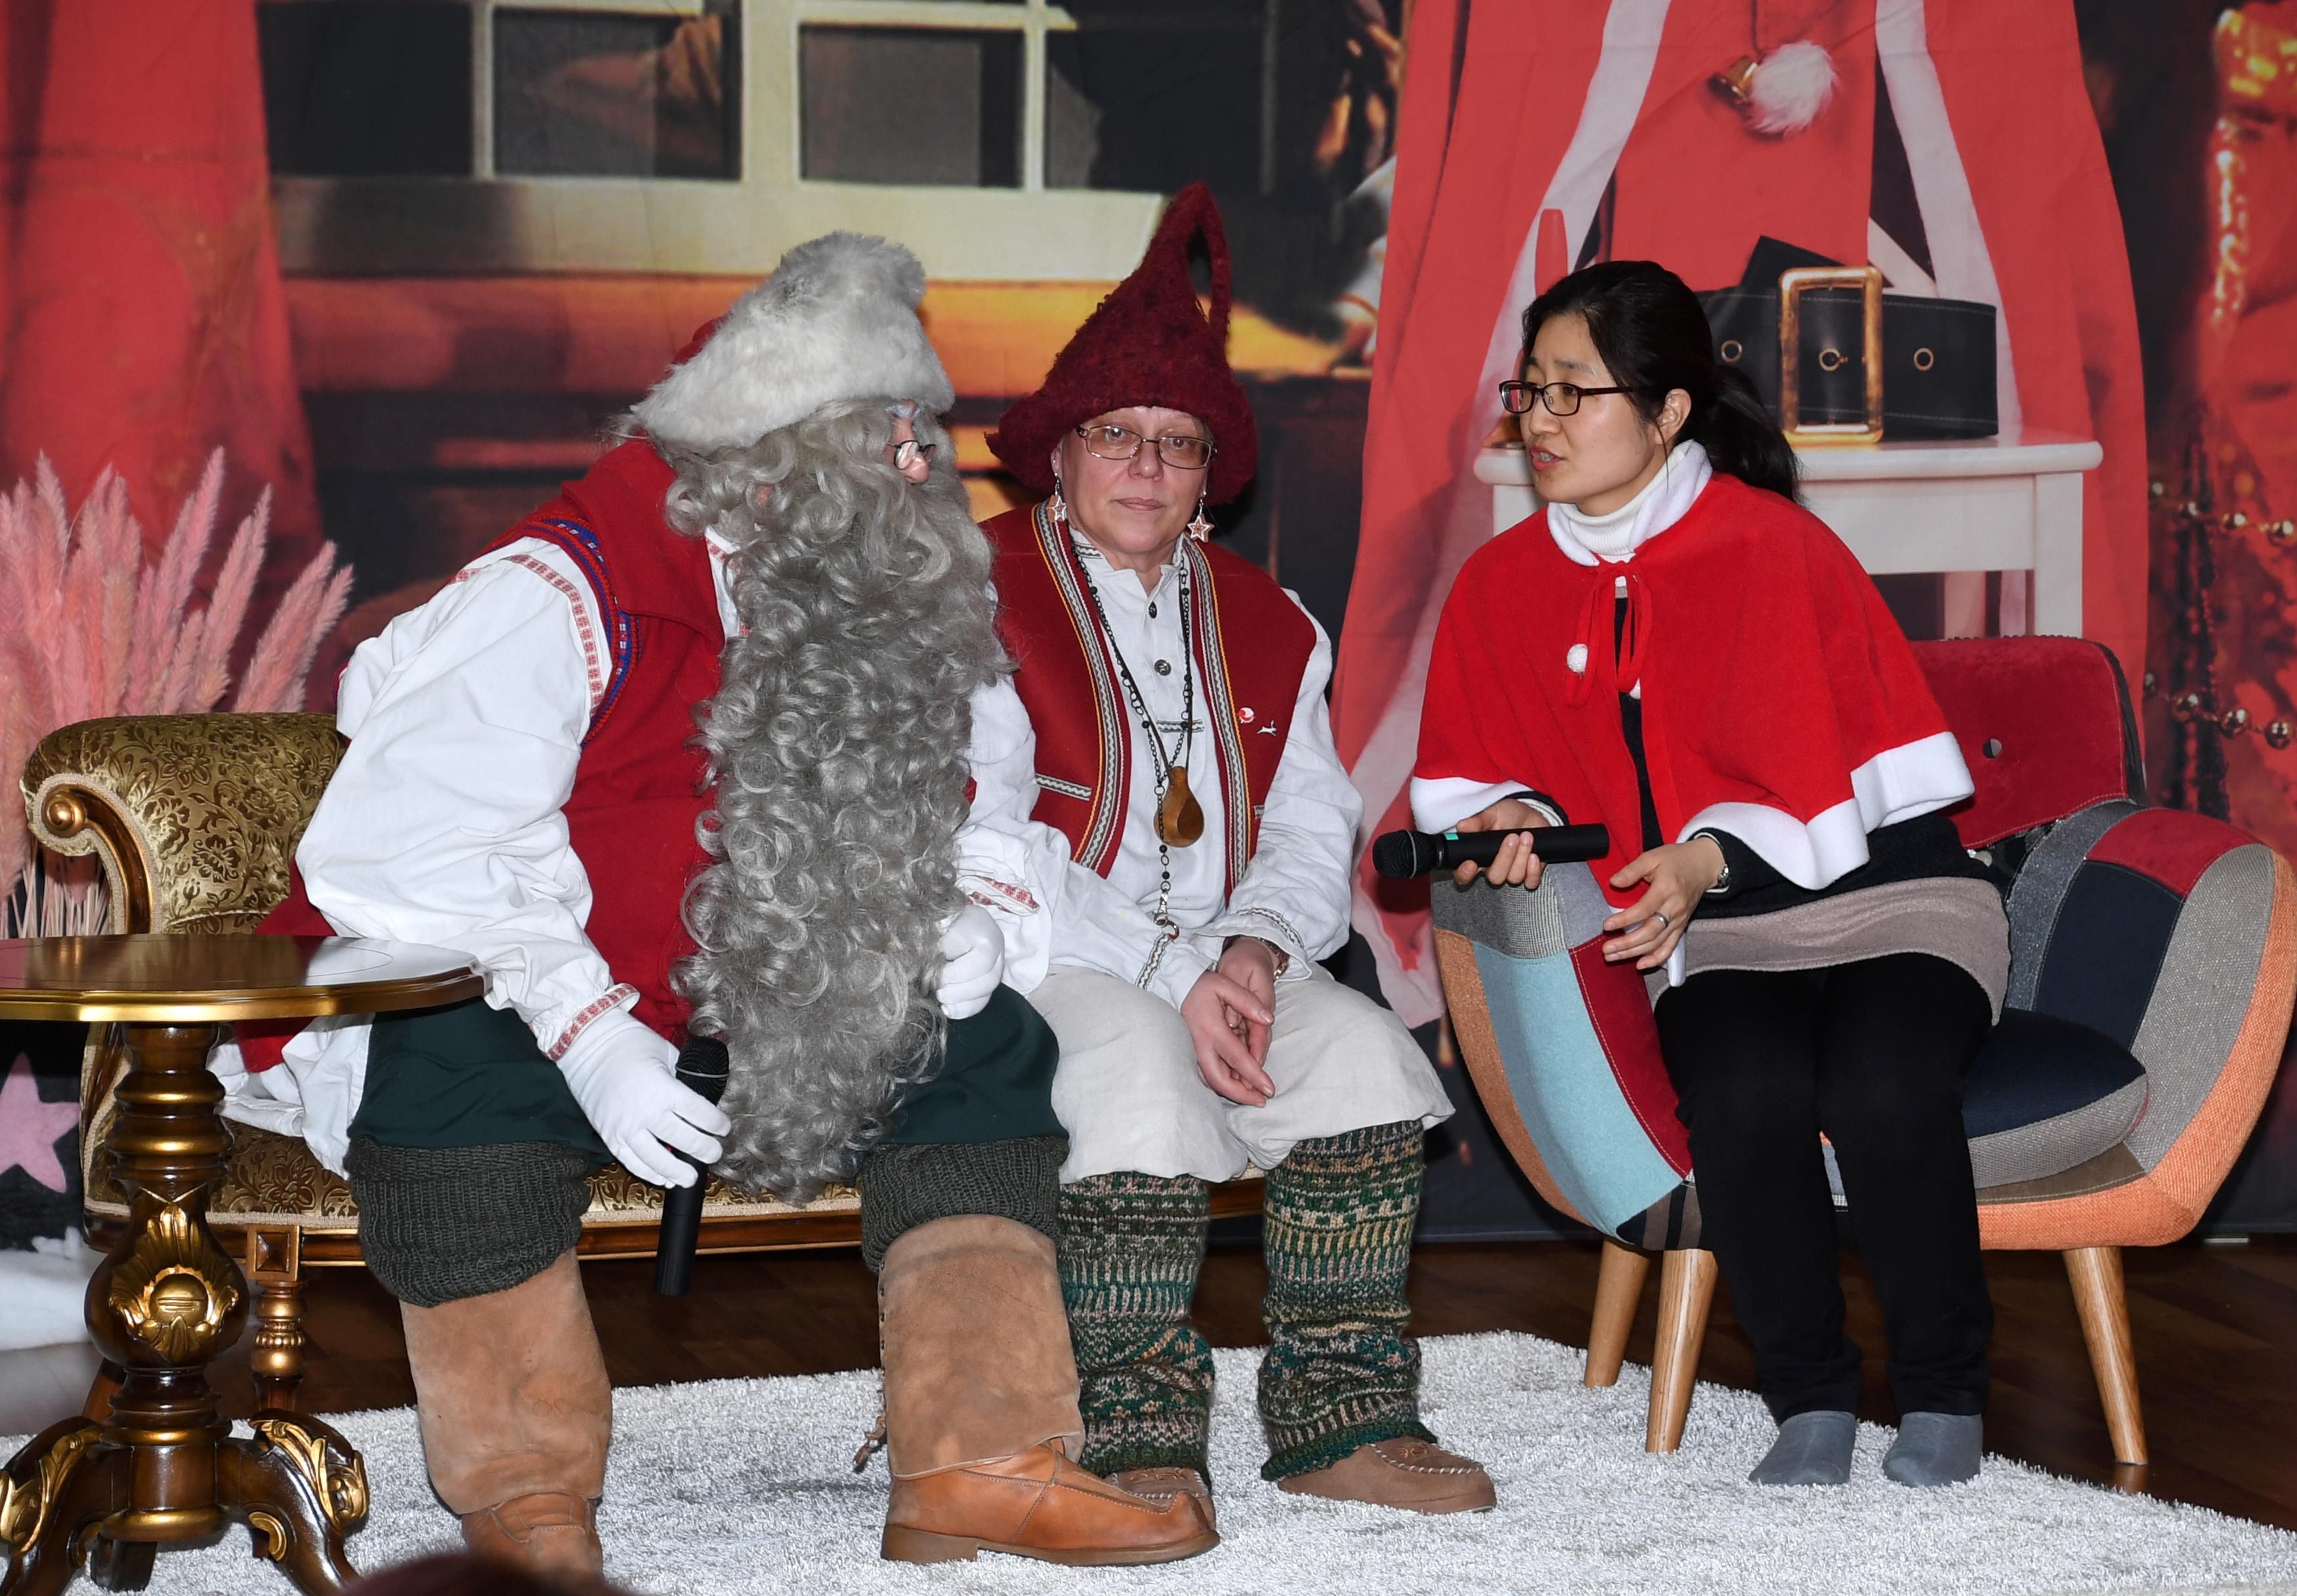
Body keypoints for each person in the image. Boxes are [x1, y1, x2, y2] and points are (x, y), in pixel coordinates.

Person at [226, 235, 1212, 1571]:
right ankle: (524, 1494)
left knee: (982, 1051)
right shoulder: (563, 593)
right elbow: (413, 847)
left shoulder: (903, 584)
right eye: (889, 440)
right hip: (554, 982)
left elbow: (988, 788)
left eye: (921, 436)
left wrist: (970, 906)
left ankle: (977, 1455)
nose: (923, 475)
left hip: (792, 985)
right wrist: (589, 1033)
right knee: (448, 1066)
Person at [1412, 261, 2008, 1490]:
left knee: (1884, 1077)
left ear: (1672, 410)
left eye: (1578, 392)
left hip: (1894, 899)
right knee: (1741, 1094)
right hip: (1721, 932)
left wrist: (1704, 852)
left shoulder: (1768, 545)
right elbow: (1478, 768)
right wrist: (1511, 812)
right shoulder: (1501, 582)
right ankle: (1810, 1396)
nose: (1544, 420)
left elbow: (1807, 775)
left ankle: (1946, 1391)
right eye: (1533, 391)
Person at [975, 184, 1492, 1519]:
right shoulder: (971, 597)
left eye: (1177, 444)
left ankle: (1339, 1418)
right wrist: (1173, 967)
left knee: (1366, 1055)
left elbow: (1316, 823)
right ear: (1060, 452)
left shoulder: (1275, 624)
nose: (1145, 468)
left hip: (1220, 957)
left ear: (1212, 474)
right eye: (1116, 436)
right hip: (1039, 959)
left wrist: (1255, 954)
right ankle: (1136, 1428)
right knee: (1138, 1062)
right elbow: (985, 848)